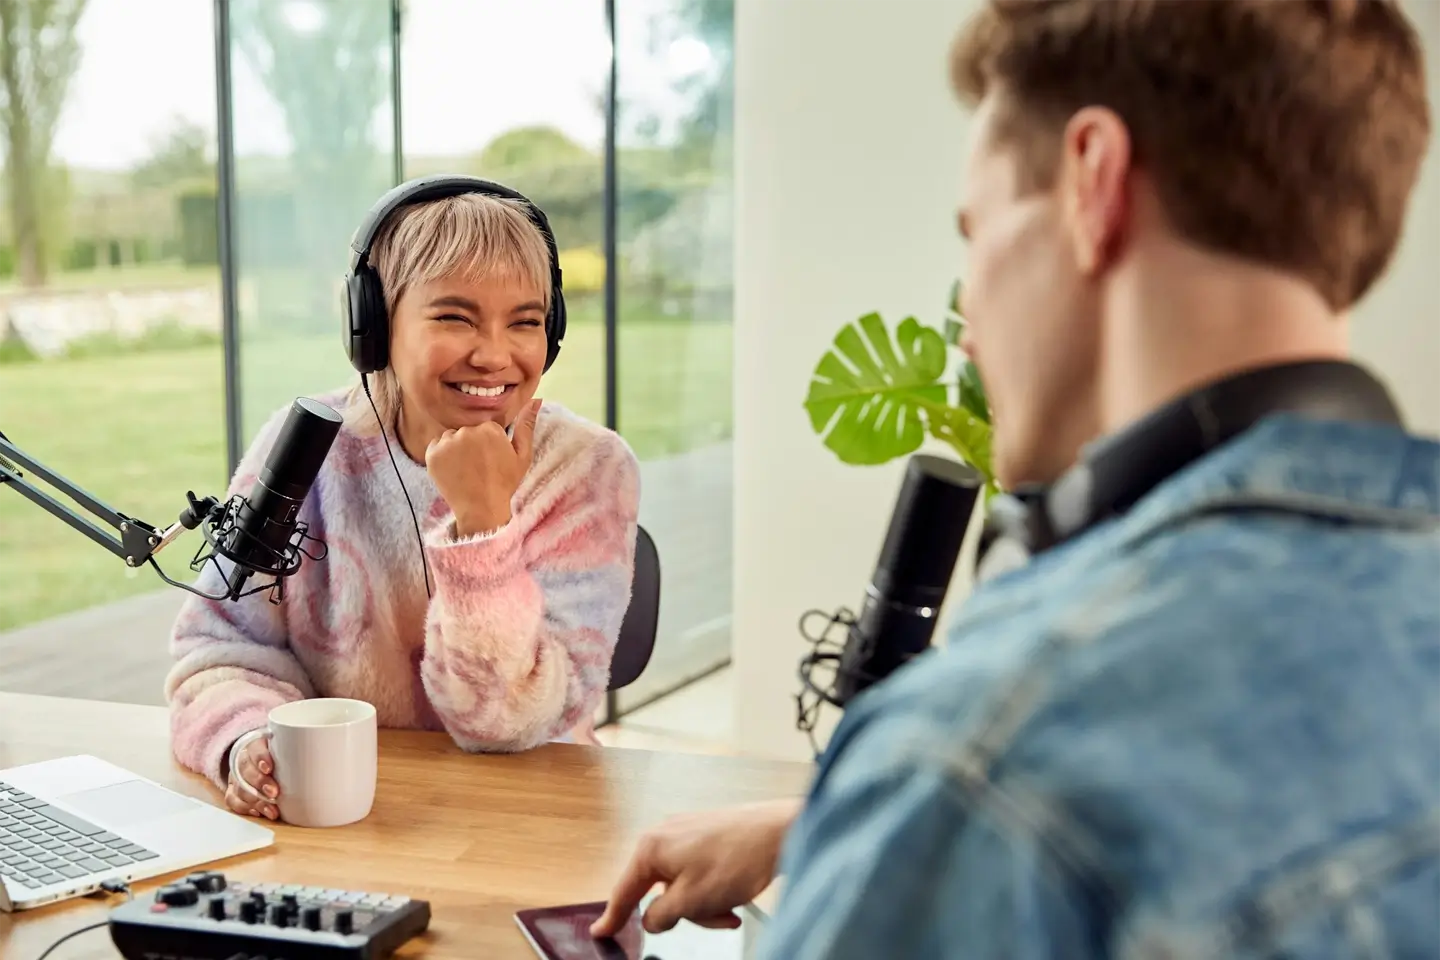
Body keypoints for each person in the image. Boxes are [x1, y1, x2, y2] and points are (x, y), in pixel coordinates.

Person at [597, 0, 1440, 955]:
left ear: (1093, 182)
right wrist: (831, 826)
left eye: (979, 230)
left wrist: (920, 814)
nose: (968, 319)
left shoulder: (987, 753)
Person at [166, 179, 641, 822]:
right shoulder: (307, 447)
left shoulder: (587, 468)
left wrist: (482, 523)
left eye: (526, 322)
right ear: (375, 326)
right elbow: (215, 651)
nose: (494, 355)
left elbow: (505, 725)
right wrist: (249, 738)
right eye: (455, 317)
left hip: (530, 815)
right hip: (344, 814)